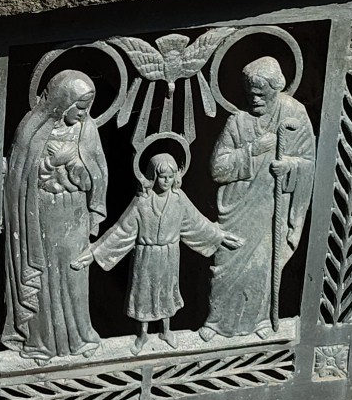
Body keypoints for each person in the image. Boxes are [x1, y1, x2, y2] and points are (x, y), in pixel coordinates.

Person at [76, 149, 239, 352]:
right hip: (146, 256)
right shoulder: (142, 202)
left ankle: (166, 330)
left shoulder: (179, 199)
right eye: (162, 177)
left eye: (170, 176)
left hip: (169, 255)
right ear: (152, 176)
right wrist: (95, 252)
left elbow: (196, 223)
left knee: (167, 293)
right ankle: (142, 334)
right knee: (143, 295)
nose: (167, 181)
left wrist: (219, 236)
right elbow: (122, 230)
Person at [206, 56, 316, 339]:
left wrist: (289, 166)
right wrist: (253, 150)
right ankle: (215, 322)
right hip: (238, 209)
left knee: (262, 267)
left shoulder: (293, 114)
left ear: (276, 88)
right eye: (249, 93)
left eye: (260, 92)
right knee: (225, 265)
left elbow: (308, 162)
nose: (254, 98)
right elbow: (218, 168)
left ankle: (261, 322)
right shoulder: (238, 122)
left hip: (270, 207)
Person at [0, 69, 108, 359]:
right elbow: (19, 175)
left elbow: (98, 176)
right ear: (63, 102)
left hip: (74, 214)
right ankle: (41, 342)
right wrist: (48, 165)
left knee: (74, 275)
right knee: (44, 278)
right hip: (40, 214)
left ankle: (79, 338)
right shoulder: (32, 130)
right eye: (80, 108)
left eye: (87, 108)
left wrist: (75, 164)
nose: (83, 114)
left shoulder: (87, 130)